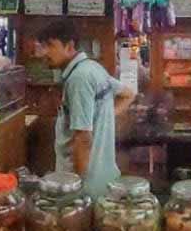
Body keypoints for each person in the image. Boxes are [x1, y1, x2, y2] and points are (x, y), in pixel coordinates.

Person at [36, 21, 135, 198]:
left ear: (69, 46)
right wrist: (103, 119)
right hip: (105, 178)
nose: (44, 52)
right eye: (42, 46)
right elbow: (128, 94)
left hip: (86, 186)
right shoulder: (92, 68)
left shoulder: (78, 79)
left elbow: (82, 139)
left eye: (50, 45)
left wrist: (76, 188)